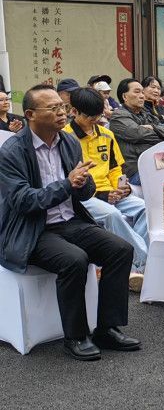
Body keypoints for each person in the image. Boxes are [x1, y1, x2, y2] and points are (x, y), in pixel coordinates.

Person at [0, 84, 139, 360]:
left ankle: (107, 328)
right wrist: (67, 184)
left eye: (62, 107)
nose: (62, 113)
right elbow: (23, 201)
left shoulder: (69, 142)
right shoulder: (12, 151)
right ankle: (75, 336)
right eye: (53, 109)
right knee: (74, 260)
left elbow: (82, 194)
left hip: (70, 221)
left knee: (120, 249)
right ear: (30, 114)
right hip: (33, 229)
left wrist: (83, 183)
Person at [63, 88, 150, 291]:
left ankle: (136, 267)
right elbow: (74, 180)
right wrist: (103, 194)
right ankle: (144, 261)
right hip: (84, 197)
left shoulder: (107, 135)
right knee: (112, 215)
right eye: (90, 116)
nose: (96, 120)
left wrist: (121, 189)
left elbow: (114, 167)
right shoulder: (66, 138)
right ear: (74, 112)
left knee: (145, 208)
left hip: (111, 192)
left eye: (99, 115)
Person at [109, 79, 164, 184]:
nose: (142, 96)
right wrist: (162, 134)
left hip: (157, 163)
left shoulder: (146, 114)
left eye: (142, 92)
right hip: (135, 171)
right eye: (137, 92)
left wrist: (153, 128)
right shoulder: (118, 116)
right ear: (124, 97)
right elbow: (139, 135)